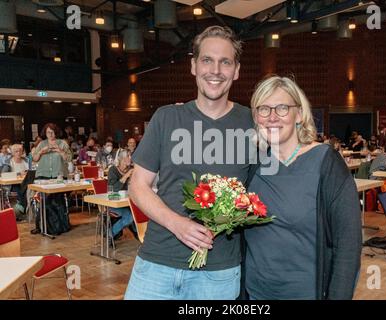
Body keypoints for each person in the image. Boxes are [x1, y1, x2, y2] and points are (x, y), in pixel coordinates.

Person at [124, 26, 254, 300]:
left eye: (225, 62)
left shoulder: (253, 123)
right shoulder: (167, 118)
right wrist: (177, 224)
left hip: (218, 272)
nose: (215, 70)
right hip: (157, 263)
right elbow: (138, 186)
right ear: (194, 66)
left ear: (237, 70)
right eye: (207, 60)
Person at [244, 76, 361, 300]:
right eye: (264, 109)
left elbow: (348, 246)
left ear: (299, 114)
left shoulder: (326, 163)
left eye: (282, 108)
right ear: (256, 117)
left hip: (306, 293)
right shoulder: (252, 164)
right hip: (256, 294)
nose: (272, 117)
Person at [31, 123, 72, 235]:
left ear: (56, 132)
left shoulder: (62, 143)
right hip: (43, 175)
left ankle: (60, 226)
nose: (50, 134)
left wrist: (60, 150)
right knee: (44, 200)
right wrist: (40, 152)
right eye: (48, 132)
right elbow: (34, 159)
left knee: (57, 200)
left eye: (52, 132)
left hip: (58, 175)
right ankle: (41, 225)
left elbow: (68, 158)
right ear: (45, 132)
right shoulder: (41, 144)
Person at [107, 149, 137, 241]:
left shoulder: (132, 170)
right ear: (122, 159)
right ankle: (110, 234)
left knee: (142, 212)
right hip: (113, 203)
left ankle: (140, 236)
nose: (130, 158)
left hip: (128, 203)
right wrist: (126, 176)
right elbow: (113, 189)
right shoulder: (113, 170)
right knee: (129, 217)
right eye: (128, 156)